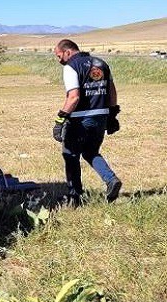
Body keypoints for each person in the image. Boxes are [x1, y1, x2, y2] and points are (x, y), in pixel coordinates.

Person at [52, 39, 122, 205]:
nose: (59, 60)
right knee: (90, 152)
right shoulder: (101, 63)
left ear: (68, 52)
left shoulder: (71, 67)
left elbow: (74, 97)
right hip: (101, 117)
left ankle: (74, 197)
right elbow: (112, 91)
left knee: (70, 155)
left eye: (59, 56)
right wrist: (112, 115)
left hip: (80, 119)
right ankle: (111, 180)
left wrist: (59, 120)